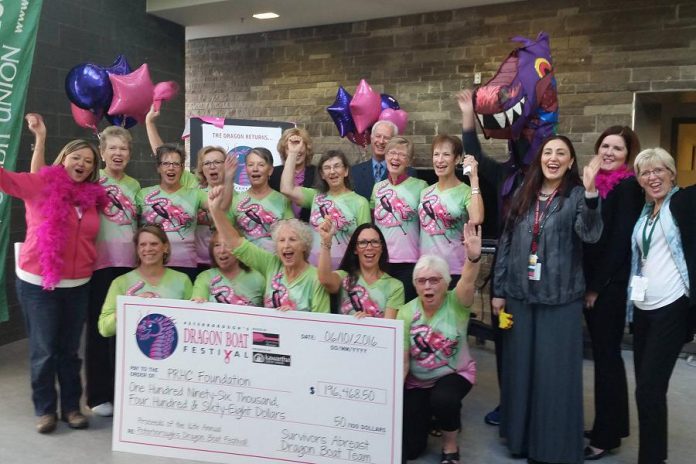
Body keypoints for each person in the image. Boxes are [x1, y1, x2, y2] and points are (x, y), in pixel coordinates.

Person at [492, 135, 602, 464]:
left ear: (570, 162)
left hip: (561, 298)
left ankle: (552, 446)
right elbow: (506, 244)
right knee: (521, 370)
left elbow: (591, 234)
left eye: (561, 154)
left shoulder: (579, 195)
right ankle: (520, 440)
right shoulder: (522, 193)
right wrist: (498, 291)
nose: (553, 158)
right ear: (540, 158)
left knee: (555, 374)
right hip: (519, 295)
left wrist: (593, 192)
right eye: (548, 152)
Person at [4, 135, 105, 433]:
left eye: (88, 161)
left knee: (70, 351)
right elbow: (5, 180)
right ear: (63, 158)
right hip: (39, 283)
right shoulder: (40, 185)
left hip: (79, 283)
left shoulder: (93, 197)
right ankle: (46, 409)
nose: (82, 164)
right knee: (45, 349)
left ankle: (72, 408)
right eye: (77, 158)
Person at [629, 148, 696, 464]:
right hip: (642, 309)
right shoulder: (645, 212)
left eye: (659, 170)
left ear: (672, 173)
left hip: (672, 307)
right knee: (645, 390)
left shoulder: (684, 203)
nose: (652, 177)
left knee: (650, 390)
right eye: (645, 172)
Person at [582, 127, 644, 460]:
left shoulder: (628, 187)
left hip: (609, 288)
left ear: (627, 155)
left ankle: (605, 437)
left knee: (607, 360)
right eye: (604, 146)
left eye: (616, 149)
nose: (608, 152)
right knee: (606, 358)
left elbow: (619, 243)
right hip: (598, 284)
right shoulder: (600, 185)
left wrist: (595, 288)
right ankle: (610, 426)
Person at [399, 222, 482, 463]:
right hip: (417, 383)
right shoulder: (406, 313)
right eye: (422, 281)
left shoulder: (456, 303)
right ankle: (430, 420)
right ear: (414, 285)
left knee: (444, 399)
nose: (428, 286)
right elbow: (404, 362)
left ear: (446, 283)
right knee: (410, 451)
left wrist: (473, 258)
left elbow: (467, 281)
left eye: (435, 280)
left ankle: (450, 447)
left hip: (454, 374)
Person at [208, 184, 330, 312]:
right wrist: (215, 210)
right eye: (281, 240)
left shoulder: (316, 278)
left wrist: (295, 317)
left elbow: (321, 324)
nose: (286, 245)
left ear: (305, 246)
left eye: (292, 239)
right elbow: (235, 242)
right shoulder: (271, 264)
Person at [136, 144, 232, 281]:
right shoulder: (143, 194)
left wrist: (228, 179)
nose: (171, 167)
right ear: (158, 167)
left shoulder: (196, 194)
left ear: (182, 168)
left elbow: (222, 209)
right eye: (166, 163)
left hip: (186, 267)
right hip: (151, 266)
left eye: (176, 164)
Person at [280, 148, 370, 269]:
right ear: (322, 174)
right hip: (314, 268)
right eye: (327, 168)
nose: (332, 171)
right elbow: (287, 188)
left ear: (346, 171)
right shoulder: (315, 196)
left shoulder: (360, 202)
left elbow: (365, 240)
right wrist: (292, 152)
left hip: (345, 269)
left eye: (337, 166)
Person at [98, 225, 193, 337]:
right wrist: (129, 307)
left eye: (154, 244)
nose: (148, 249)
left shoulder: (182, 280)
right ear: (137, 249)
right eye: (142, 244)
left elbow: (192, 321)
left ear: (165, 247)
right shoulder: (120, 282)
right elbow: (104, 329)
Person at [418, 134, 483, 285]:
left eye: (446, 154)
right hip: (425, 270)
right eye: (436, 154)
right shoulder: (425, 192)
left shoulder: (465, 192)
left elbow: (477, 218)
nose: (440, 160)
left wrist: (474, 179)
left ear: (457, 159)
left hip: (454, 270)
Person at [371, 137, 427, 301]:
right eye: (392, 153)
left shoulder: (421, 186)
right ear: (386, 156)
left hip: (409, 262)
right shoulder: (378, 188)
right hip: (380, 261)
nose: (395, 158)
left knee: (404, 312)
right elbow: (373, 224)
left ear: (408, 161)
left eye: (402, 155)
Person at [317, 222, 404, 318]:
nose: (369, 247)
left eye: (375, 242)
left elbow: (389, 328)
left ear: (381, 248)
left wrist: (369, 323)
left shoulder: (395, 286)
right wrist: (326, 241)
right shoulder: (343, 277)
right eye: (363, 243)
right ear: (355, 249)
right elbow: (324, 279)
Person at [230, 147, 294, 252]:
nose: (255, 169)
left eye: (261, 165)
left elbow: (292, 232)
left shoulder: (282, 200)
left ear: (270, 170)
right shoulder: (235, 201)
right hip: (245, 263)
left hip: (275, 262)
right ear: (246, 169)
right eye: (250, 165)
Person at [192, 230, 265, 306]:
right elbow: (197, 305)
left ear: (240, 248)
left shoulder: (258, 278)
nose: (222, 250)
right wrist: (198, 301)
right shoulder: (205, 277)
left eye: (227, 245)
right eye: (217, 245)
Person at [193, 145, 228, 270]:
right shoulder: (194, 194)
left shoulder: (238, 197)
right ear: (201, 169)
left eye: (217, 162)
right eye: (207, 163)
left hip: (228, 262)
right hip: (198, 263)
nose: (212, 166)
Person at [269, 127, 315, 221]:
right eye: (289, 147)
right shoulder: (273, 174)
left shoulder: (317, 173)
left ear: (307, 148)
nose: (296, 150)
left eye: (299, 145)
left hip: (310, 231)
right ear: (283, 151)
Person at [352, 120, 404, 200]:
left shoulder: (406, 173)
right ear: (371, 138)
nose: (381, 141)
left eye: (386, 138)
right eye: (378, 136)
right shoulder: (354, 172)